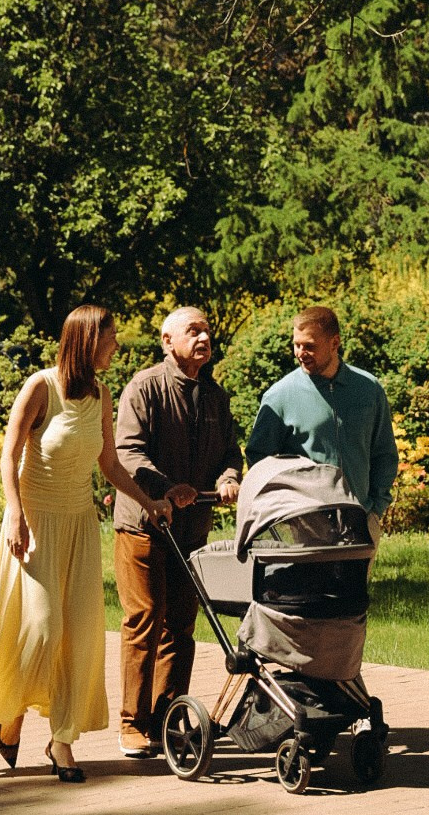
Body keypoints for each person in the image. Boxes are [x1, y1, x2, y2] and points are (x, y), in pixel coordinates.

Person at [0, 305, 172, 783]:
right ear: (87, 340)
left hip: (78, 524)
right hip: (35, 523)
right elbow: (8, 454)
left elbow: (111, 467)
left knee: (78, 638)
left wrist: (150, 502)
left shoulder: (101, 393)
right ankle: (11, 713)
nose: (116, 346)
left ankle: (63, 741)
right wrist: (13, 514)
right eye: (111, 338)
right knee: (43, 628)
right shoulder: (41, 387)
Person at [112, 306, 243, 758]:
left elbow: (230, 450)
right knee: (144, 620)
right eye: (193, 330)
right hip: (144, 524)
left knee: (181, 628)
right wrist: (165, 489)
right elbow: (127, 453)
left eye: (207, 329)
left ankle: (167, 716)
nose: (204, 336)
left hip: (191, 531)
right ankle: (132, 723)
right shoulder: (144, 387)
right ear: (167, 341)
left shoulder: (215, 397)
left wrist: (227, 478)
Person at [246, 305, 399, 548]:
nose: (300, 353)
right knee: (311, 587)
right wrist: (288, 510)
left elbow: (384, 453)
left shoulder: (369, 390)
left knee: (355, 588)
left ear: (334, 342)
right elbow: (259, 460)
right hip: (306, 523)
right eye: (296, 344)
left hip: (362, 518)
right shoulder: (279, 396)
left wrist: (375, 508)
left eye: (309, 346)